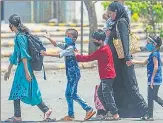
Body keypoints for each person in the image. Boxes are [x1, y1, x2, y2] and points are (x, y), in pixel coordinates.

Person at [4, 14, 53, 122]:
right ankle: (46, 110)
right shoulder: (20, 35)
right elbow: (15, 54)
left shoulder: (20, 37)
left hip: (23, 68)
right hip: (24, 67)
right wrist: (8, 69)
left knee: (17, 90)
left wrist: (26, 72)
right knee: (31, 90)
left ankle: (17, 116)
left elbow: (24, 55)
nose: (9, 26)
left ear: (12, 25)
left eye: (10, 24)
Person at [41, 29, 96, 121]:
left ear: (74, 39)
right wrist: (49, 38)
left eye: (69, 36)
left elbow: (60, 55)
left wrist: (46, 54)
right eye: (66, 35)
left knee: (68, 94)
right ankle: (87, 109)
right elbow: (56, 44)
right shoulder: (67, 45)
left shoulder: (71, 48)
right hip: (72, 74)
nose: (66, 38)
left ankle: (72, 115)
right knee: (72, 94)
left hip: (73, 74)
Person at [106, 2, 148, 118]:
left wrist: (128, 58)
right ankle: (124, 111)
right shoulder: (116, 22)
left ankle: (145, 109)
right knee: (119, 85)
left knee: (130, 85)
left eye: (111, 13)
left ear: (117, 11)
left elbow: (125, 40)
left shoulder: (121, 22)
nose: (110, 16)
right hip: (117, 61)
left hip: (123, 61)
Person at [75, 29, 120, 120]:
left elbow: (89, 58)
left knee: (107, 95)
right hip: (107, 75)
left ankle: (115, 114)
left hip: (107, 76)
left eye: (95, 40)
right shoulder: (105, 47)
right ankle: (109, 111)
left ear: (100, 40)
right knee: (100, 93)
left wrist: (77, 56)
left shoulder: (103, 50)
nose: (94, 41)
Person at [132, 36, 163, 120]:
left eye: (148, 43)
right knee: (154, 96)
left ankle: (150, 116)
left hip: (154, 80)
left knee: (150, 97)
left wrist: (152, 79)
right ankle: (150, 114)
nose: (147, 44)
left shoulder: (154, 54)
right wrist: (132, 62)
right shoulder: (154, 53)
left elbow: (156, 67)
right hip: (156, 79)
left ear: (154, 44)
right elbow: (144, 62)